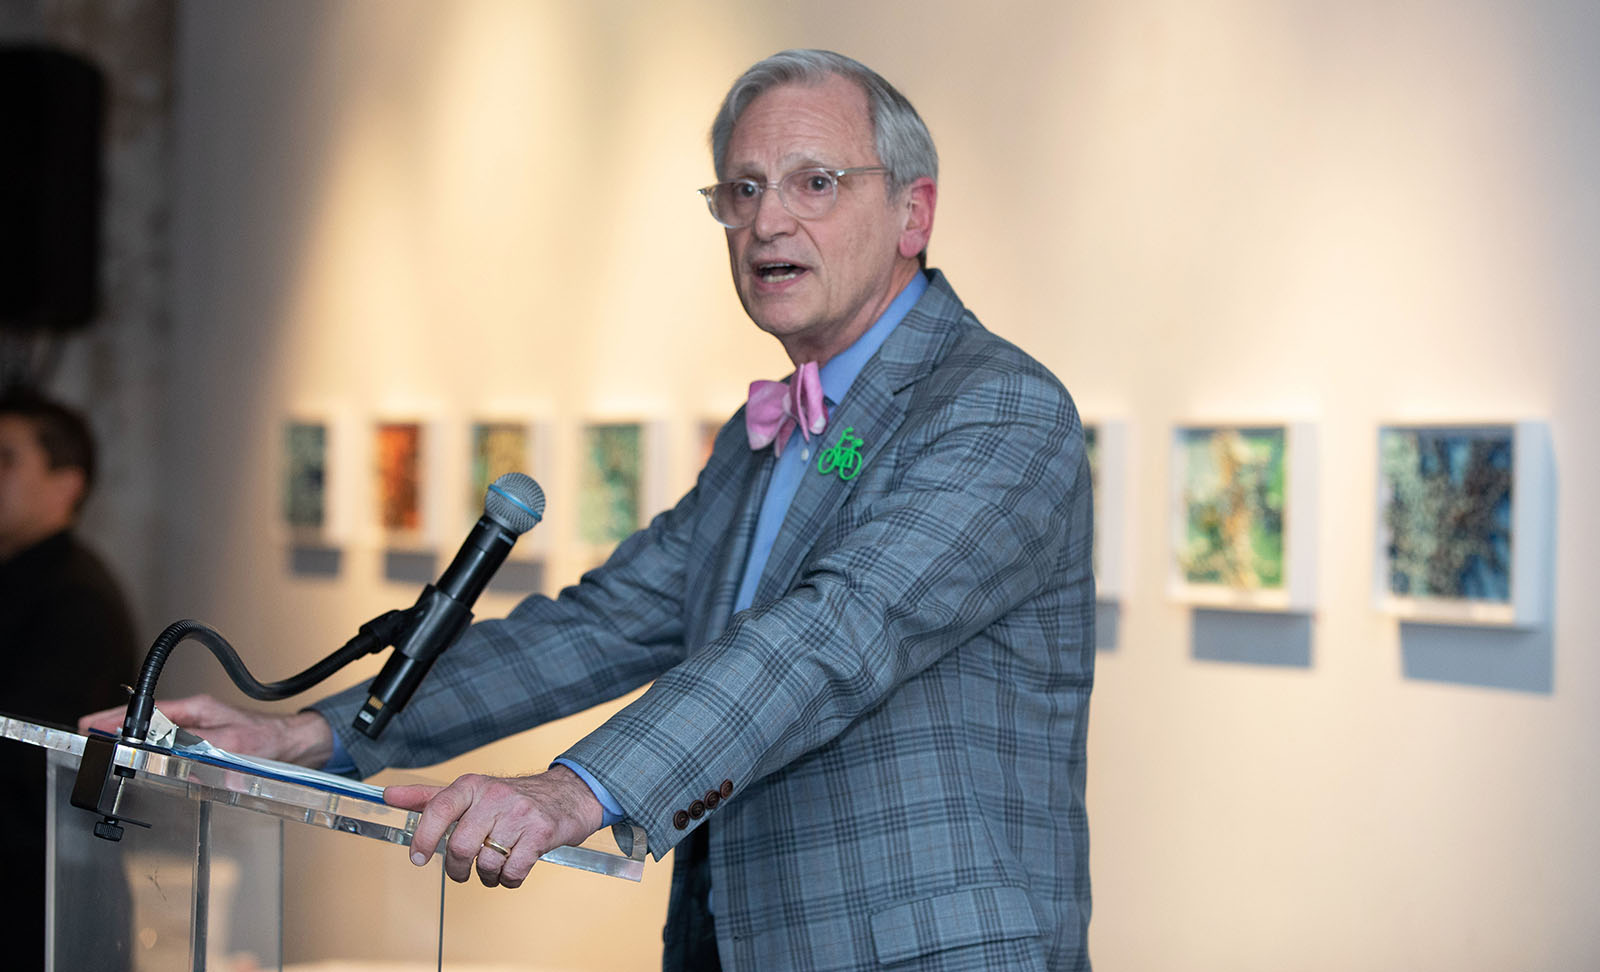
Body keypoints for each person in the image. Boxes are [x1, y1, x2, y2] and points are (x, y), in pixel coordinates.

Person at [87, 50, 1095, 970]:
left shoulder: (995, 408)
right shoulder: (766, 437)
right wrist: (316, 734)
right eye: (741, 191)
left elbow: (836, 631)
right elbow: (597, 626)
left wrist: (573, 791)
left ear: (913, 214)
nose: (767, 222)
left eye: (814, 183)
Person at [0, 391, 141, 971]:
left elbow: (34, 762)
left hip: (39, 906)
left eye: (6, 459)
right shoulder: (21, 580)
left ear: (67, 484)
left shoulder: (76, 600)